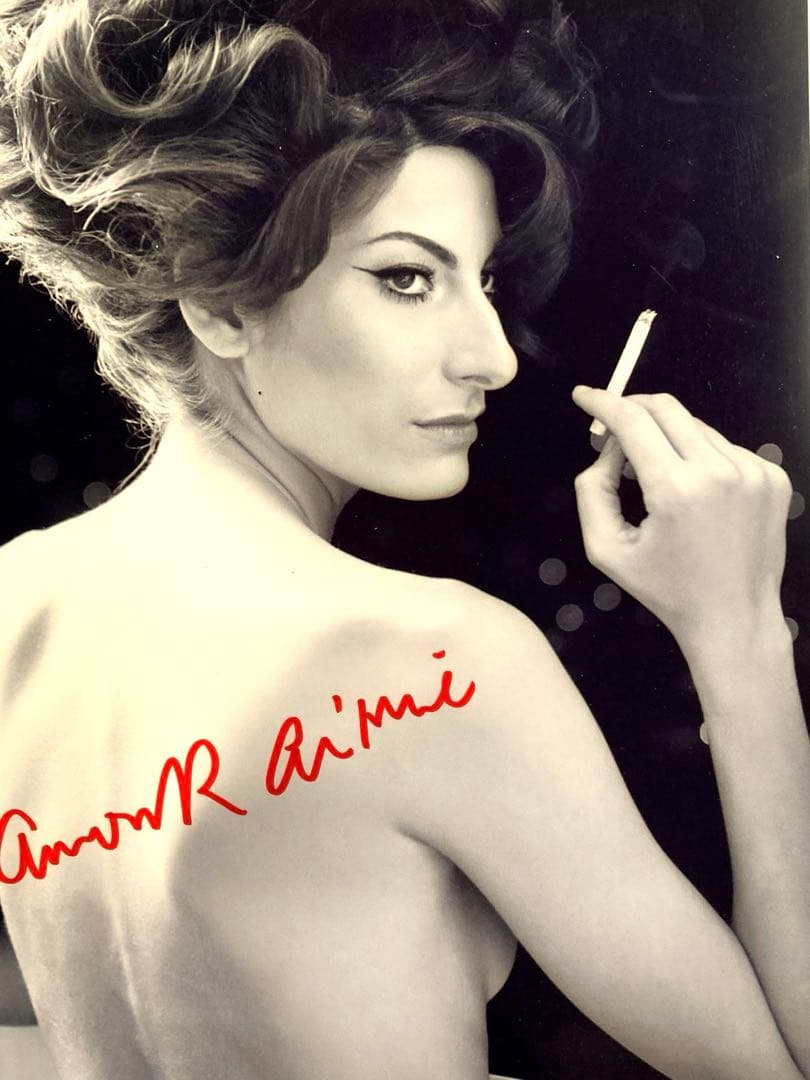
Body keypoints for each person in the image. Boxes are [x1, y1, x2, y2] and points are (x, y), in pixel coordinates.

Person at [0, 2, 808, 1078]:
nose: (494, 357)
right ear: (220, 304)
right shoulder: (435, 664)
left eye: (485, 280)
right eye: (406, 279)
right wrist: (740, 632)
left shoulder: (16, 600)